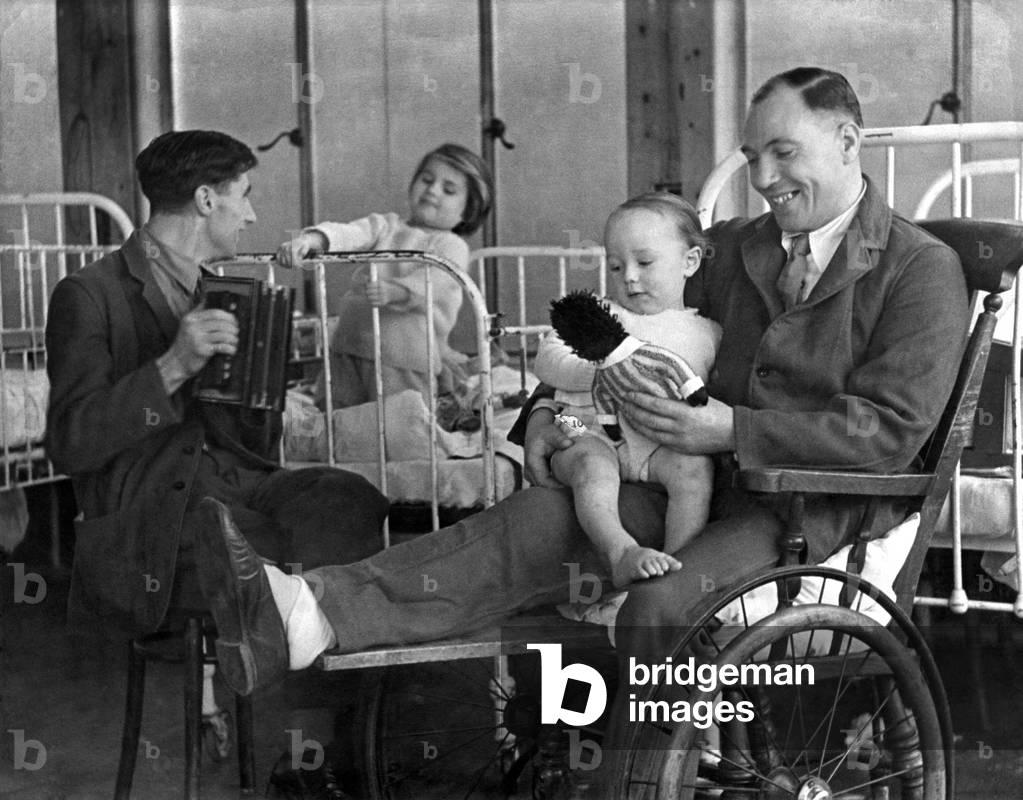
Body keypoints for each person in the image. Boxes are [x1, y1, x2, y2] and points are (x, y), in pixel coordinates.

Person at [192, 67, 970, 782]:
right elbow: (606, 331)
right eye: (749, 155)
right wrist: (540, 419)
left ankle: (621, 788)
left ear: (845, 141)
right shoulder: (727, 248)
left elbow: (890, 431)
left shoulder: (918, 268)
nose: (762, 178)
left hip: (806, 505)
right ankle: (307, 614)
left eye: (781, 152)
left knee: (663, 609)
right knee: (536, 514)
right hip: (677, 479)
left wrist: (731, 432)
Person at [44, 128, 389, 662]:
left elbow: (246, 441)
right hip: (154, 513)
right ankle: (310, 682)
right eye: (244, 195)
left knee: (351, 501)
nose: (250, 216)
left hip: (233, 488)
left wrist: (260, 387)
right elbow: (71, 443)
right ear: (206, 199)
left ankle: (299, 668)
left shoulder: (220, 291)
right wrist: (173, 366)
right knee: (291, 556)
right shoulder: (89, 294)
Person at [534, 193, 721, 588]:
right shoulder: (602, 314)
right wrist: (604, 372)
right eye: (616, 266)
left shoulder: (707, 332)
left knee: (695, 470)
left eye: (644, 262)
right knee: (589, 462)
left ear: (690, 261)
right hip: (580, 422)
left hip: (653, 444)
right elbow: (547, 359)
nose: (629, 277)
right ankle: (619, 550)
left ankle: (675, 571)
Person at [275, 143, 493, 412]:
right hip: (350, 342)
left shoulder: (450, 245)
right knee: (334, 410)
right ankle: (338, 447)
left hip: (405, 356)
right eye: (426, 180)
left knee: (401, 418)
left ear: (468, 211)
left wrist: (398, 291)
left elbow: (437, 280)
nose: (433, 190)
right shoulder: (386, 226)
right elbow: (350, 233)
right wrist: (312, 239)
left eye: (448, 190)